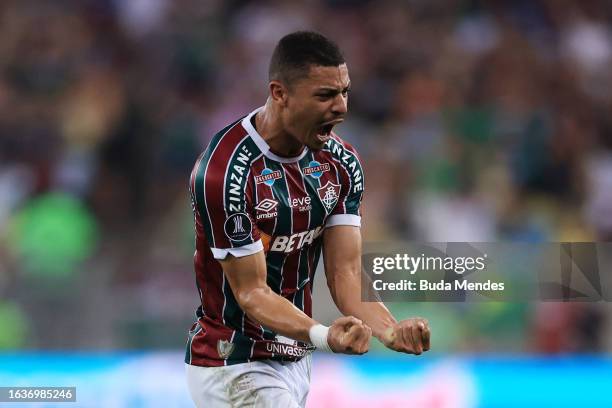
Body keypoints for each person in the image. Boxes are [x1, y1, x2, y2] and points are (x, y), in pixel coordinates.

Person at [185, 31, 430, 407]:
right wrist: (323, 334)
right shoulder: (226, 171)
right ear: (280, 93)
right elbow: (251, 292)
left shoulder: (341, 163)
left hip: (297, 363)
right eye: (325, 96)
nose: (341, 107)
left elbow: (344, 273)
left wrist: (389, 330)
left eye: (344, 92)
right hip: (232, 361)